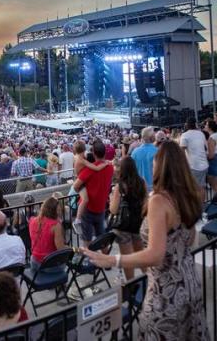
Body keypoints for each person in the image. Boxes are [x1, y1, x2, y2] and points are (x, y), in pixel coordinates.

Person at [83, 141, 208, 340]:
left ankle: (131, 287)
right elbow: (188, 239)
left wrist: (113, 260)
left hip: (166, 291)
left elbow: (156, 255)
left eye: (155, 161)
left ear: (161, 165)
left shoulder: (159, 200)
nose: (152, 165)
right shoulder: (190, 196)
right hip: (190, 281)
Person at [108, 156, 146, 280]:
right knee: (140, 254)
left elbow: (113, 210)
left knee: (126, 258)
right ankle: (148, 279)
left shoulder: (120, 186)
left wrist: (111, 200)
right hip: (138, 223)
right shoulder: (142, 182)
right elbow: (146, 203)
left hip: (123, 226)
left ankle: (131, 284)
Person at [72, 140, 114, 248]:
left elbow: (76, 186)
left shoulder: (89, 169)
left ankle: (89, 262)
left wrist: (81, 191)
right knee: (102, 240)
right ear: (104, 153)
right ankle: (106, 263)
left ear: (94, 153)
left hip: (88, 209)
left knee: (87, 240)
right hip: (101, 207)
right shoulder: (110, 167)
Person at [28, 196, 66, 274]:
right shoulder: (55, 225)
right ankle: (61, 285)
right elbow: (61, 249)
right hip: (49, 265)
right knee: (67, 261)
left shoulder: (32, 220)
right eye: (59, 210)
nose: (60, 211)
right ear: (54, 211)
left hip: (34, 262)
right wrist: (74, 249)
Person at [179, 116, 209, 195]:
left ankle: (197, 206)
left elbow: (181, 152)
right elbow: (206, 148)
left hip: (194, 167)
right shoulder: (200, 133)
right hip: (204, 165)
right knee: (201, 188)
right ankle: (201, 206)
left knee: (194, 189)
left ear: (186, 124)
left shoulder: (185, 135)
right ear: (195, 124)